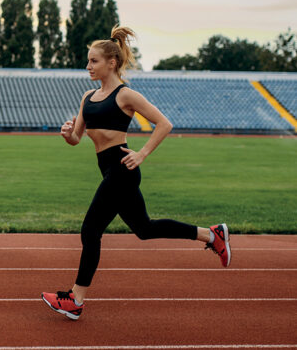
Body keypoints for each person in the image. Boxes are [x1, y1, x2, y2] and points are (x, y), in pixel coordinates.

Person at [41, 25, 231, 320]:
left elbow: (164, 124)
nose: (88, 66)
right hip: (108, 170)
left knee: (91, 230)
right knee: (144, 229)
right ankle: (211, 235)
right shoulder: (87, 97)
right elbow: (77, 138)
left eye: (94, 61)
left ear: (111, 63)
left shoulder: (125, 95)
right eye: (88, 61)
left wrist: (142, 153)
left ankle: (76, 299)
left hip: (122, 169)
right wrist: (67, 133)